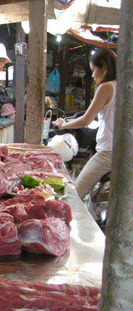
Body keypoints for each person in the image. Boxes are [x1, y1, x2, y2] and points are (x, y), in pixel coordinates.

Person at [53, 48, 116, 199]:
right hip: (122, 150)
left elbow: (87, 119)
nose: (93, 75)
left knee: (75, 194)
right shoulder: (123, 85)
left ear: (104, 68)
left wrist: (63, 125)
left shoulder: (106, 87)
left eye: (94, 70)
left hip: (108, 151)